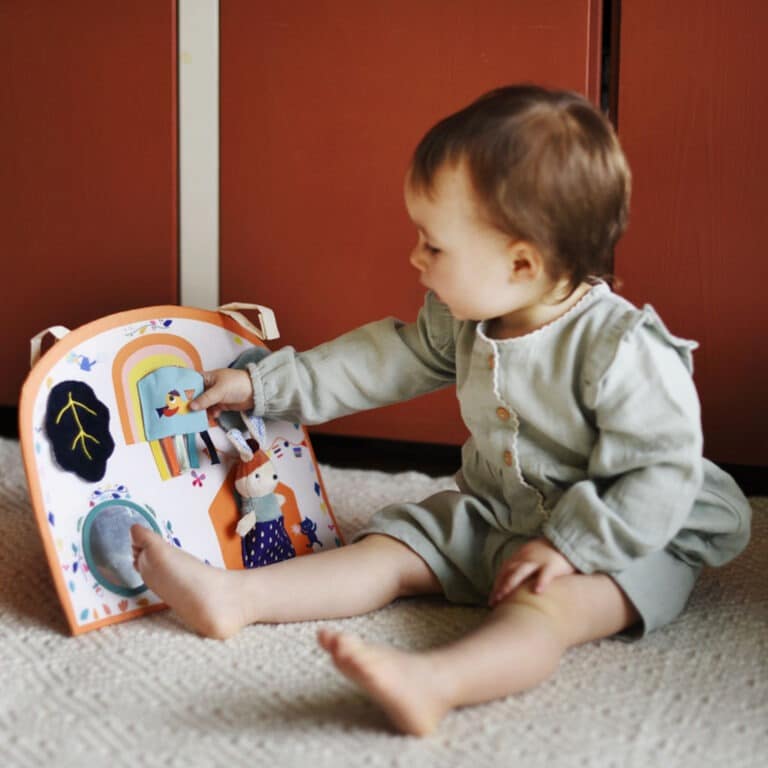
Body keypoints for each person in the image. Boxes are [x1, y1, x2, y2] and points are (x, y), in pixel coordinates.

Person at [131, 85, 751, 736]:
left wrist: (569, 546)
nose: (415, 258)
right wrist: (263, 387)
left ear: (521, 262)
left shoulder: (621, 350)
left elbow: (660, 474)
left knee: (547, 610)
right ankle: (237, 599)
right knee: (390, 547)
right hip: (499, 513)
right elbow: (381, 362)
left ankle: (436, 682)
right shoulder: (470, 315)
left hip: (621, 537)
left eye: (434, 245)